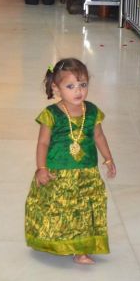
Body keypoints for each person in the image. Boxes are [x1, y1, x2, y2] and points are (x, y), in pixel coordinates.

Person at [24, 58, 116, 265]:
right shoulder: (51, 115)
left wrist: (108, 158)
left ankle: (81, 250)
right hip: (59, 173)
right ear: (56, 88)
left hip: (86, 173)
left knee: (85, 210)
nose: (78, 91)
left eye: (83, 85)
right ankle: (56, 241)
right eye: (71, 86)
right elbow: (43, 144)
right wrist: (41, 168)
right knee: (59, 209)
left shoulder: (92, 112)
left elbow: (99, 136)